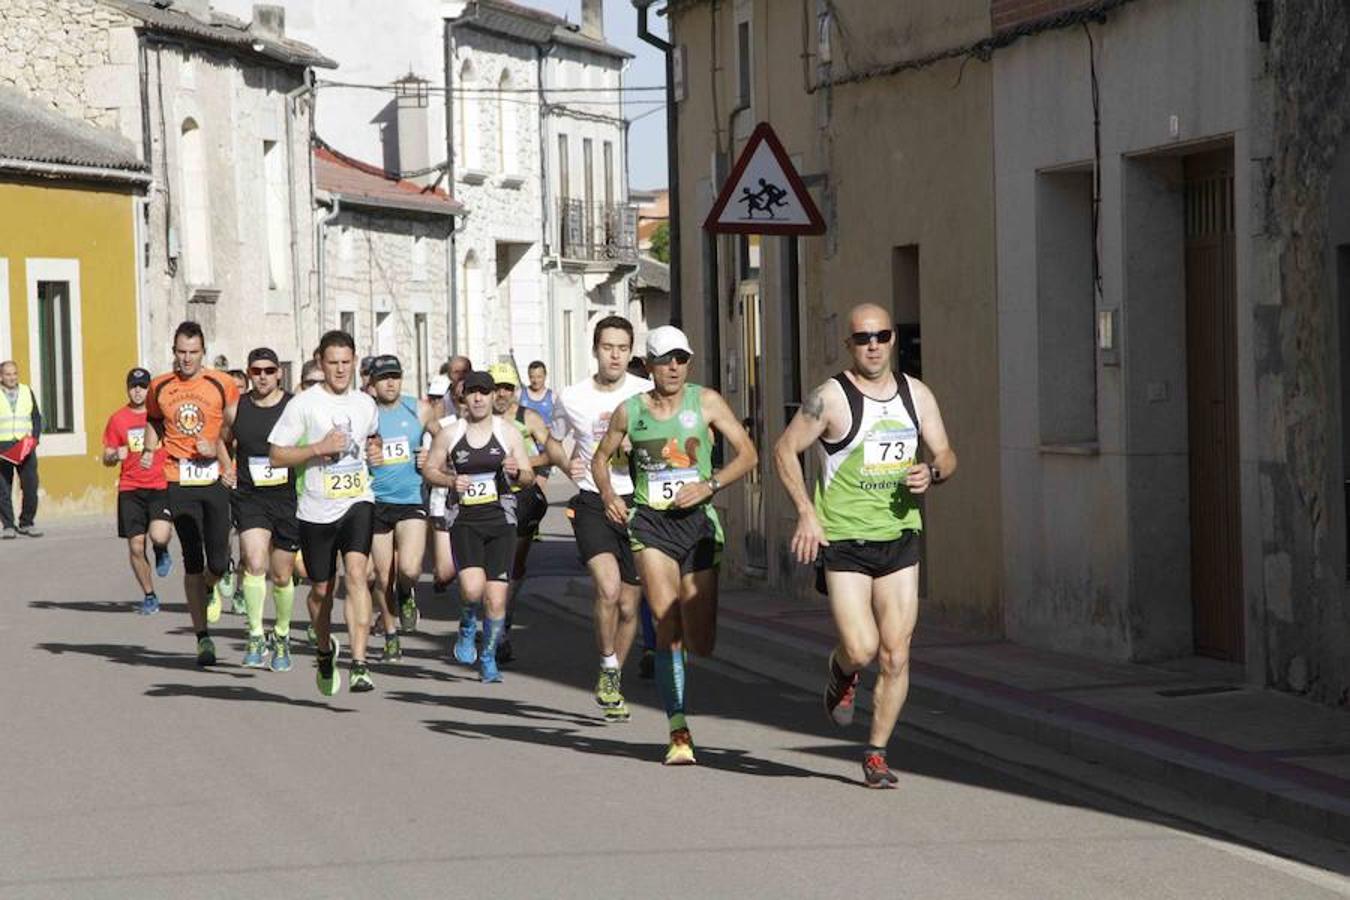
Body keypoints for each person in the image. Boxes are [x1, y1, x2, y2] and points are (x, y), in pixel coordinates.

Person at [772, 302, 957, 789]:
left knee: (896, 653)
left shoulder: (916, 395)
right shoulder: (829, 398)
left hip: (898, 535)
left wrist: (932, 472)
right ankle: (841, 671)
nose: (872, 345)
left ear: (893, 338)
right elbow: (783, 450)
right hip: (845, 539)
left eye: (880, 335)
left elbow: (946, 454)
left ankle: (876, 752)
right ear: (849, 345)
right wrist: (807, 514)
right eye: (862, 338)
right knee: (862, 647)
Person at [593, 325, 758, 765]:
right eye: (665, 359)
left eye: (681, 358)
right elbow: (599, 458)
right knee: (666, 622)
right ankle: (678, 730)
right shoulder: (630, 411)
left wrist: (709, 485)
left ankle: (683, 658)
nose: (674, 367)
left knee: (700, 641)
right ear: (648, 365)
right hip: (651, 525)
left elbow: (748, 454)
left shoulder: (705, 402)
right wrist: (610, 496)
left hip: (698, 526)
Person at [545, 316, 652, 721]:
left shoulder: (644, 392)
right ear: (595, 349)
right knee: (607, 590)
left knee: (629, 605)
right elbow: (554, 442)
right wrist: (563, 464)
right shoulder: (573, 397)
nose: (615, 355)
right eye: (608, 347)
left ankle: (613, 675)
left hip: (639, 503)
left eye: (623, 348)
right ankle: (607, 660)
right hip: (593, 499)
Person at [269, 330, 382, 695]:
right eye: (332, 363)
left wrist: (375, 453)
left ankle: (360, 664)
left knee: (357, 572)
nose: (339, 370)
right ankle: (323, 650)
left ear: (354, 361)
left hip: (357, 501)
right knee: (321, 590)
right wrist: (317, 448)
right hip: (316, 508)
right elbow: (276, 454)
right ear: (320, 362)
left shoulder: (366, 403)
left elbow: (372, 440)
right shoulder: (304, 404)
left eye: (346, 363)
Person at [425, 370, 535, 683]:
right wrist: (449, 480)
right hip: (465, 521)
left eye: (484, 393)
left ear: (491, 397)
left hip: (501, 521)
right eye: (472, 392)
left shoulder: (508, 433)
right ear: (463, 396)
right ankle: (466, 621)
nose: (478, 398)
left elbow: (527, 476)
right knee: (472, 590)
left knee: (497, 599)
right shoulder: (450, 434)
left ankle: (487, 657)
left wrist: (515, 473)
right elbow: (430, 470)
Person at [145, 322, 239, 666]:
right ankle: (203, 638)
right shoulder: (160, 386)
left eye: (193, 353)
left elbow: (232, 426)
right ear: (174, 351)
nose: (186, 359)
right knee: (192, 558)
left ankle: (213, 583)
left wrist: (216, 447)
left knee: (217, 560)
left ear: (203, 352)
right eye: (181, 352)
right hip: (178, 477)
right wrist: (149, 450)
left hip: (213, 478)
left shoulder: (222, 384)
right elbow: (155, 421)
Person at [227, 347, 301, 671]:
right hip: (250, 496)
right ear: (248, 373)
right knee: (255, 562)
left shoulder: (294, 407)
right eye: (256, 371)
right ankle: (255, 634)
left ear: (279, 373)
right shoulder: (237, 408)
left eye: (269, 370)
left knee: (283, 574)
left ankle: (281, 635)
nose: (262, 377)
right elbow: (221, 438)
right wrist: (224, 466)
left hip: (287, 499)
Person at [368, 354, 441, 659]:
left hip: (411, 498)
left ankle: (406, 592)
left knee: (409, 569)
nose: (390, 383)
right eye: (384, 377)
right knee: (382, 576)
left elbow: (445, 440)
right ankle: (390, 635)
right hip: (375, 501)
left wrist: (430, 456)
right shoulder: (364, 412)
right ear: (372, 383)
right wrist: (364, 457)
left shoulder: (418, 408)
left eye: (395, 376)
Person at [487, 362, 552, 664]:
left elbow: (552, 451)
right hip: (488, 499)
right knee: (490, 567)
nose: (501, 394)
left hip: (522, 497)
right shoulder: (479, 419)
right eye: (496, 387)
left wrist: (524, 463)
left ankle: (502, 625)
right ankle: (495, 626)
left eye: (507, 388)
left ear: (516, 390)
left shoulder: (529, 418)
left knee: (513, 565)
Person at [101, 367, 173, 613]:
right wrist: (113, 455)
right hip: (130, 488)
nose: (138, 391)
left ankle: (161, 550)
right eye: (134, 386)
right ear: (127, 388)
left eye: (143, 386)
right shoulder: (117, 419)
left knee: (159, 535)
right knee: (135, 546)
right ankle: (149, 595)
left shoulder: (161, 416)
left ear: (150, 389)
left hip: (160, 484)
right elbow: (106, 456)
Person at [427, 357, 471, 608]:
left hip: (480, 505)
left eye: (474, 396)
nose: (468, 403)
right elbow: (428, 467)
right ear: (453, 401)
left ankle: (469, 623)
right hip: (444, 501)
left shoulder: (493, 428)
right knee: (446, 572)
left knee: (473, 574)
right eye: (461, 399)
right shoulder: (441, 428)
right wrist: (449, 473)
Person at [0, 360, 42, 538]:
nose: (12, 377)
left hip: (25, 445)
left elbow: (36, 417)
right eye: (8, 374)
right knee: (3, 488)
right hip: (2, 446)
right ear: (1, 376)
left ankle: (27, 522)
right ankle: (8, 525)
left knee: (31, 485)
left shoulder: (26, 391)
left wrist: (35, 439)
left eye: (14, 374)